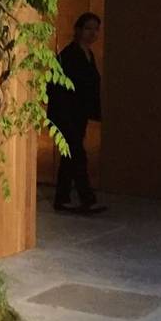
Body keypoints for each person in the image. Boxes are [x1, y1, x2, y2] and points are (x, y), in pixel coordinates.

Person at [47, 12, 106, 214]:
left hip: (79, 114)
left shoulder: (88, 55)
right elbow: (56, 87)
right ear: (78, 30)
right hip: (65, 114)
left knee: (70, 156)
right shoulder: (68, 55)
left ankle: (62, 199)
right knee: (77, 154)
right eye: (89, 28)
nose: (93, 33)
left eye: (96, 29)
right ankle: (86, 198)